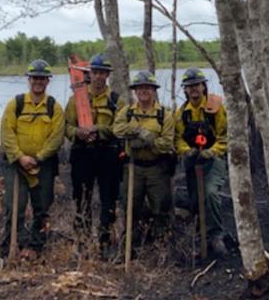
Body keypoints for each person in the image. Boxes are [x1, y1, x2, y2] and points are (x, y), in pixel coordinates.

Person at [0, 59, 65, 260]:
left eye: (42, 78)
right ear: (29, 79)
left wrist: (38, 158)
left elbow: (57, 137)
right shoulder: (16, 104)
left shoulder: (54, 107)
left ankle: (35, 246)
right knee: (14, 206)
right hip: (16, 165)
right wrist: (20, 157)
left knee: (42, 206)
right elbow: (6, 133)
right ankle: (13, 244)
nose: (38, 82)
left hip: (43, 165)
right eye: (35, 78)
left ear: (48, 81)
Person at [64, 53, 122, 256]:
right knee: (82, 197)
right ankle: (82, 242)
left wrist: (99, 130)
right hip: (82, 154)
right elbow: (67, 126)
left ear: (107, 75)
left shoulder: (116, 100)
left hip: (108, 154)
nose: (98, 77)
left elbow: (119, 128)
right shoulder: (77, 99)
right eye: (95, 72)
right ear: (90, 74)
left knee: (108, 198)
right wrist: (77, 133)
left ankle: (105, 242)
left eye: (102, 73)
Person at [112, 71, 175, 250]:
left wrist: (148, 141)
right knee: (130, 206)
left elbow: (166, 143)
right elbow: (117, 130)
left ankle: (162, 246)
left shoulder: (165, 115)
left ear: (154, 90)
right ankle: (131, 244)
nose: (143, 91)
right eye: (140, 88)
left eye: (147, 87)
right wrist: (139, 130)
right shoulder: (128, 112)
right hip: (133, 167)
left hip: (157, 167)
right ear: (135, 91)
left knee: (161, 207)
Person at [173, 67, 231, 256]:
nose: (193, 89)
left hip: (213, 160)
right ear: (185, 90)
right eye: (189, 86)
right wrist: (186, 151)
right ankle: (201, 235)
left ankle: (216, 235)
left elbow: (225, 136)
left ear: (203, 86)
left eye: (196, 85)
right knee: (195, 199)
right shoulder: (182, 113)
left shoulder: (216, 107)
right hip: (192, 162)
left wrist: (212, 152)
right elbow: (178, 138)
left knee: (210, 193)